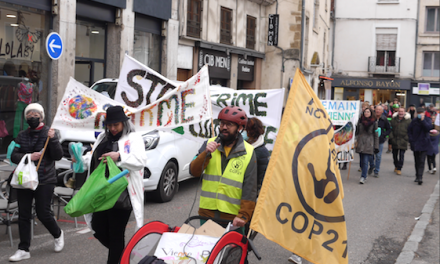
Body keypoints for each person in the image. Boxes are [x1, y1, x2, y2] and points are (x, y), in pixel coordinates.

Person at [82, 106, 147, 264]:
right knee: (97, 228)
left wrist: (119, 156)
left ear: (124, 123)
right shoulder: (103, 138)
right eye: (109, 125)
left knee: (116, 234)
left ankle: (117, 257)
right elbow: (94, 158)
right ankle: (123, 255)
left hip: (121, 194)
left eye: (116, 125)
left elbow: (141, 161)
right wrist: (82, 159)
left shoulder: (134, 138)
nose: (112, 128)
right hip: (101, 192)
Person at [189, 106, 258, 234]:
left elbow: (250, 188)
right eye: (222, 123)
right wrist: (206, 153)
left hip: (232, 218)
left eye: (229, 124)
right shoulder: (208, 144)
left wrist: (244, 215)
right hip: (207, 214)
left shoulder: (249, 152)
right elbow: (193, 171)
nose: (224, 127)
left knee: (232, 253)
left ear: (240, 128)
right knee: (207, 252)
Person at [9, 103, 64, 262]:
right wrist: (28, 157)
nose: (32, 117)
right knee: (24, 214)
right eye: (29, 115)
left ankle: (58, 234)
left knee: (43, 213)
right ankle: (23, 248)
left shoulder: (49, 133)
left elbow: (57, 156)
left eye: (35, 114)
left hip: (45, 180)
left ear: (41, 116)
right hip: (25, 180)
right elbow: (13, 155)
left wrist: (53, 140)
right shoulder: (21, 135)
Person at [243, 117, 270, 191]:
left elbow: (261, 179)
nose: (242, 132)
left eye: (245, 129)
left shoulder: (262, 153)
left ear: (252, 132)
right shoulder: (240, 146)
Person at [408, 107, 432, 185]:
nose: (420, 115)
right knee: (417, 160)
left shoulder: (427, 120)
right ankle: (417, 175)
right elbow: (409, 130)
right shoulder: (414, 121)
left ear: (424, 113)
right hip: (415, 143)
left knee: (422, 161)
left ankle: (420, 177)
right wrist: (411, 140)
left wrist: (423, 121)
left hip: (424, 143)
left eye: (421, 114)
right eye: (419, 114)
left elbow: (428, 128)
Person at [356, 108, 379, 184]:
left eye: (368, 112)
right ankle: (364, 173)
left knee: (365, 161)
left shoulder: (374, 122)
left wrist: (376, 146)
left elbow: (376, 135)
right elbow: (357, 132)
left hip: (369, 143)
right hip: (360, 142)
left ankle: (363, 177)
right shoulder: (360, 121)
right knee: (362, 161)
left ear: (371, 113)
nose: (366, 113)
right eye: (365, 112)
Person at [389, 107, 411, 175]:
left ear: (404, 112)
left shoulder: (408, 120)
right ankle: (396, 165)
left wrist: (407, 138)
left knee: (401, 155)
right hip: (395, 139)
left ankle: (399, 168)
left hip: (403, 140)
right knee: (394, 155)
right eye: (400, 111)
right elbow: (390, 129)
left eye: (402, 111)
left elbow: (410, 130)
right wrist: (391, 137)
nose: (401, 113)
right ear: (398, 112)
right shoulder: (393, 120)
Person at [373, 105, 391, 177]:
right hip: (371, 139)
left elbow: (389, 129)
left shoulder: (384, 119)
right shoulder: (372, 118)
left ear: (382, 111)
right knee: (370, 155)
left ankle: (376, 170)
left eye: (379, 110)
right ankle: (371, 166)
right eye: (377, 109)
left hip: (380, 140)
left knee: (378, 156)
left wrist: (384, 135)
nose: (378, 111)